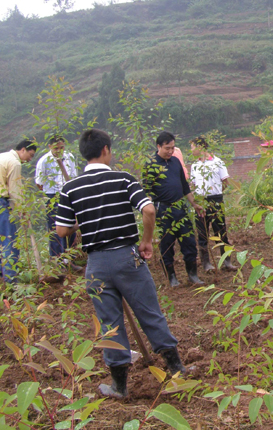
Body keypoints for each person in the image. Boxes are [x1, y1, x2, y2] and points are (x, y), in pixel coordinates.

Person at [56, 129, 186, 399]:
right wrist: (147, 242)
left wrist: (87, 216)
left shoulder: (70, 188)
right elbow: (149, 209)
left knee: (109, 324)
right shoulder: (123, 178)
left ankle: (119, 386)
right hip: (127, 257)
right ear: (105, 150)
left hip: (96, 266)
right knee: (150, 312)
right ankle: (177, 370)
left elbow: (62, 231)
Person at [143, 132, 204, 287]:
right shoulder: (151, 164)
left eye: (172, 148)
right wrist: (149, 210)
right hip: (163, 211)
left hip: (180, 208)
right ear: (158, 146)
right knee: (167, 244)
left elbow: (185, 187)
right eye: (167, 148)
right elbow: (147, 190)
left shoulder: (176, 162)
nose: (170, 151)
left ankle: (193, 275)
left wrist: (194, 204)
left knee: (189, 241)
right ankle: (172, 278)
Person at [35, 135, 82, 271]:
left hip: (68, 195)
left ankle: (70, 259)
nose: (59, 150)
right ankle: (57, 261)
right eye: (56, 148)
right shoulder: (44, 161)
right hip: (52, 197)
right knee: (55, 229)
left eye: (62, 147)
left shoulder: (69, 157)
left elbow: (73, 176)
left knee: (71, 227)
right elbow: (39, 183)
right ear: (50, 147)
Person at [189, 136, 237, 272]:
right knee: (202, 233)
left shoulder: (218, 162)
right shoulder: (195, 166)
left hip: (216, 200)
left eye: (192, 147)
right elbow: (192, 185)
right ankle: (206, 264)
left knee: (221, 232)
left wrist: (216, 195)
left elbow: (226, 183)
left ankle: (226, 261)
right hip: (200, 202)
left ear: (200, 147)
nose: (191, 150)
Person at [0, 139, 37, 283]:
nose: (29, 159)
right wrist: (21, 211)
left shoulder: (2, 157)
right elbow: (14, 191)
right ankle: (11, 278)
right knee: (9, 240)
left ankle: (3, 274)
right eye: (30, 154)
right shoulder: (14, 163)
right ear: (23, 150)